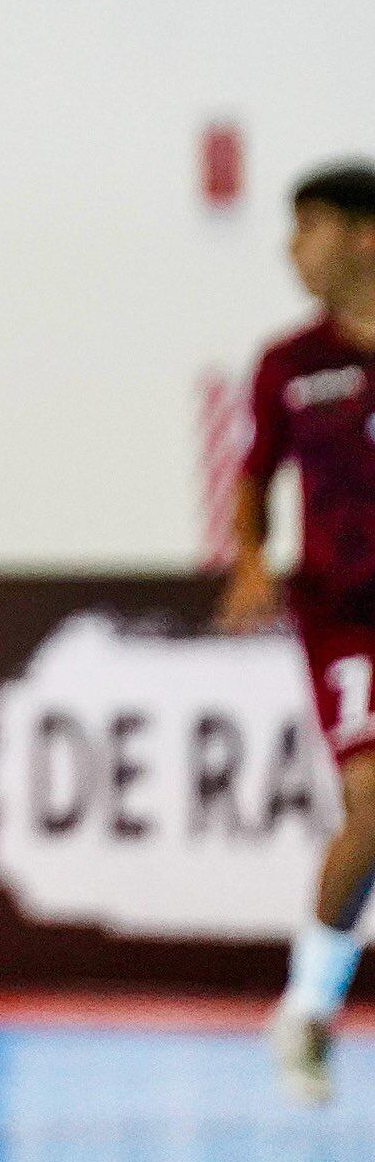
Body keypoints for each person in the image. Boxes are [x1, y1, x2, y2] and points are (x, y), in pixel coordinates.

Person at [220, 159, 375, 1103]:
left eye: (306, 227)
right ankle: (311, 1007)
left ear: (362, 236)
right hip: (347, 618)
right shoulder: (290, 365)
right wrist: (249, 557)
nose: (291, 250)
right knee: (374, 800)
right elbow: (253, 479)